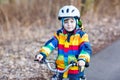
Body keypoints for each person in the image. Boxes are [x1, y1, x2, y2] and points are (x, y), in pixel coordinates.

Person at [35, 5, 92, 80]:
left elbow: (85, 48)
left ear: (77, 21)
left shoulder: (81, 35)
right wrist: (42, 54)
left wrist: (82, 59)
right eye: (66, 22)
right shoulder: (59, 34)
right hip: (60, 68)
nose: (69, 24)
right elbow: (51, 45)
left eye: (72, 21)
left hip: (75, 68)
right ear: (62, 23)